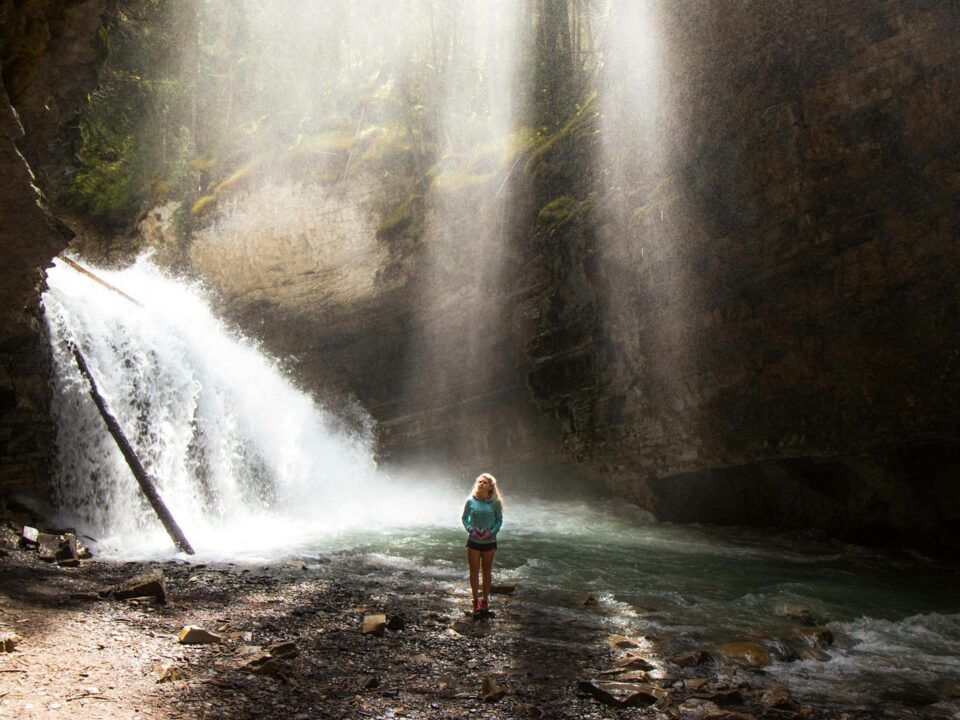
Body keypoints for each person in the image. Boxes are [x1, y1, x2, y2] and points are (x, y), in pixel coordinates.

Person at [461, 472, 503, 615]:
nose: (481, 484)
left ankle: (485, 600)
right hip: (473, 541)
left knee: (486, 572)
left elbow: (499, 521)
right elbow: (464, 518)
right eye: (479, 481)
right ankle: (475, 601)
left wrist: (491, 533)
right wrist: (470, 530)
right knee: (474, 572)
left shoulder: (496, 502)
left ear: (490, 487)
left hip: (489, 542)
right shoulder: (470, 501)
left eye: (484, 482)